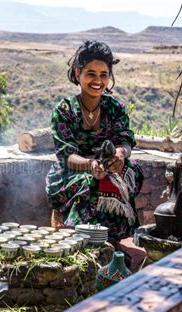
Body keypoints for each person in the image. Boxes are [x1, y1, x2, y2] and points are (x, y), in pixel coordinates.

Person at [45, 41, 143, 242]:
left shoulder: (115, 108)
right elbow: (66, 155)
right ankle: (80, 239)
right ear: (78, 73)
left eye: (103, 75)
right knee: (93, 182)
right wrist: (91, 166)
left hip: (106, 165)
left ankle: (113, 241)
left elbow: (124, 140)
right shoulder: (64, 110)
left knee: (129, 173)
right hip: (72, 169)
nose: (97, 80)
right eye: (91, 74)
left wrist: (119, 155)